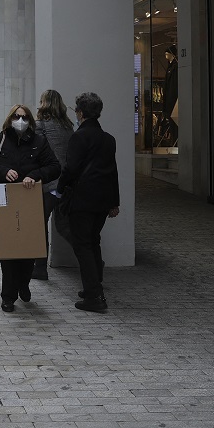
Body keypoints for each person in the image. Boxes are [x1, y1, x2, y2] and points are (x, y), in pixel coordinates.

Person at [0, 104, 60, 313]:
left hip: (28, 200)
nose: (20, 120)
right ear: (10, 119)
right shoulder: (0, 139)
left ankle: (24, 283)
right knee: (7, 248)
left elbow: (54, 167)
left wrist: (35, 175)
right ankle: (8, 296)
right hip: (4, 199)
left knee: (27, 248)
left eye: (24, 117)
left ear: (30, 120)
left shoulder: (39, 142)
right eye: (16, 116)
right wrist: (3, 171)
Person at [57, 92, 120, 312]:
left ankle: (94, 296)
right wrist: (115, 202)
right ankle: (94, 286)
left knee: (82, 245)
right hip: (102, 201)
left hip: (82, 199)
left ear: (80, 113)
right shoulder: (108, 139)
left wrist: (59, 188)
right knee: (93, 242)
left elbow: (71, 169)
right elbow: (113, 172)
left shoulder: (79, 137)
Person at [32, 89, 75, 280]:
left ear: (45, 103)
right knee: (64, 225)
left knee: (39, 225)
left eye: (41, 101)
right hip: (66, 184)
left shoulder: (40, 125)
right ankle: (91, 257)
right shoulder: (68, 126)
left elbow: (34, 151)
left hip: (49, 184)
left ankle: (40, 268)